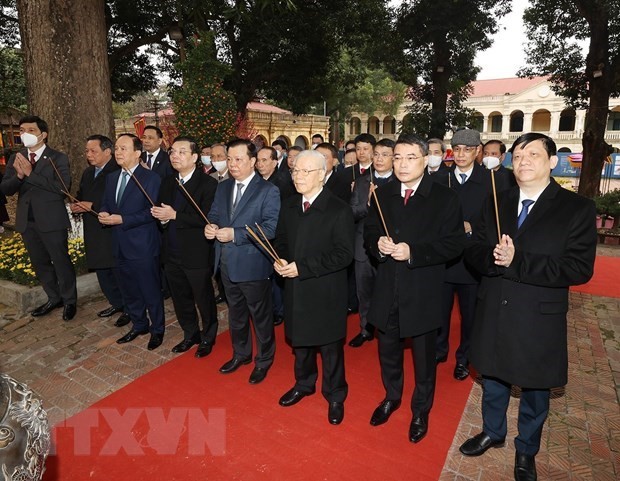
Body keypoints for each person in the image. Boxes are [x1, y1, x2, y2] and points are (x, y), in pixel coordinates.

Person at [459, 133, 597, 481]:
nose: (524, 162)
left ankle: (526, 450)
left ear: (552, 162)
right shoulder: (496, 200)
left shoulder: (576, 208)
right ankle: (493, 430)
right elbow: (474, 247)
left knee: (536, 388)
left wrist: (519, 261)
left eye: (534, 154)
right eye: (518, 155)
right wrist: (492, 259)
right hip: (495, 307)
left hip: (538, 315)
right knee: (492, 376)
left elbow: (578, 268)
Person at [364, 134, 465, 443]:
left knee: (424, 359)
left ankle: (421, 409)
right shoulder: (382, 193)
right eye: (397, 157)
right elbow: (369, 231)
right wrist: (378, 245)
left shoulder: (444, 197)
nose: (402, 164)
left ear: (425, 160)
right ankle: (391, 396)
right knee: (388, 351)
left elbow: (454, 243)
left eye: (410, 158)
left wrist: (414, 253)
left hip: (422, 290)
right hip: (387, 288)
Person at [274, 149, 354, 425]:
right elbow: (281, 239)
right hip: (296, 288)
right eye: (295, 170)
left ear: (322, 175)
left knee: (330, 348)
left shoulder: (339, 209)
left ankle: (335, 395)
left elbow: (343, 255)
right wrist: (281, 258)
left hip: (326, 289)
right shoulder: (290, 205)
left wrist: (303, 267)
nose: (297, 176)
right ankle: (303, 383)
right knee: (301, 343)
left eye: (304, 171)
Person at [205, 139, 280, 384]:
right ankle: (241, 354)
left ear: (252, 161)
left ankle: (264, 361)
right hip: (225, 263)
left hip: (253, 265)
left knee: (261, 316)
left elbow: (270, 228)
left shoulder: (268, 190)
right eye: (229, 159)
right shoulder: (223, 187)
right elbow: (215, 213)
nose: (233, 164)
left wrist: (236, 234)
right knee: (236, 315)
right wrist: (212, 226)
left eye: (238, 159)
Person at [0, 115, 77, 320]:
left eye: (31, 130)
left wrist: (30, 174)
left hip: (51, 220)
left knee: (61, 261)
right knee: (39, 263)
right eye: (22, 130)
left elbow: (62, 189)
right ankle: (54, 297)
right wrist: (18, 176)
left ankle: (70, 301)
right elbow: (5, 189)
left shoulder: (57, 158)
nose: (25, 134)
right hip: (27, 221)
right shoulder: (16, 157)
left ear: (43, 135)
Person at [151, 136, 219, 358]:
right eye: (172, 152)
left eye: (181, 152)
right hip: (170, 251)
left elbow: (206, 218)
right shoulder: (168, 181)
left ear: (195, 157)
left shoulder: (208, 183)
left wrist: (174, 215)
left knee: (203, 298)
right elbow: (162, 212)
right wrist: (162, 218)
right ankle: (190, 334)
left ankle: (208, 335)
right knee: (180, 298)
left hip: (196, 252)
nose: (175, 156)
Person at [434, 128, 491, 381]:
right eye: (456, 149)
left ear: (477, 151)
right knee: (439, 311)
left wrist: (472, 227)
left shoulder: (491, 181)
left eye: (467, 149)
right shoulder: (439, 179)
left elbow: (495, 221)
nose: (461, 154)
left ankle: (464, 358)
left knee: (470, 316)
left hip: (472, 260)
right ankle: (439, 349)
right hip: (443, 260)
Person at [99, 134, 164, 350]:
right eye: (116, 148)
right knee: (129, 290)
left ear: (137, 153)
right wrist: (103, 213)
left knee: (150, 290)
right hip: (119, 244)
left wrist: (123, 219)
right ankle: (139, 324)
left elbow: (152, 212)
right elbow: (107, 203)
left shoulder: (150, 179)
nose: (118, 152)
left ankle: (158, 329)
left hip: (142, 245)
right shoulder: (111, 177)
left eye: (123, 148)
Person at [70, 135, 129, 327]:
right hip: (93, 230)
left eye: (93, 151)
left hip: (111, 230)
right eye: (87, 151)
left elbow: (121, 202)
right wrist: (77, 205)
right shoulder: (88, 173)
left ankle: (129, 307)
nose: (89, 155)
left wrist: (92, 205)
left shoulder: (118, 171)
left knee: (118, 272)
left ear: (107, 152)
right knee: (102, 271)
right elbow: (81, 196)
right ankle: (116, 302)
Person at [349, 138, 395, 348]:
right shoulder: (361, 182)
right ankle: (365, 329)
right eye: (376, 154)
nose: (379, 159)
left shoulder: (400, 181)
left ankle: (389, 329)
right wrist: (368, 204)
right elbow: (353, 212)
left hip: (391, 247)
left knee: (388, 292)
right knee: (364, 291)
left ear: (394, 158)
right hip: (362, 247)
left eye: (385, 155)